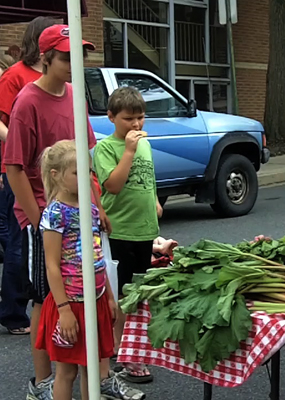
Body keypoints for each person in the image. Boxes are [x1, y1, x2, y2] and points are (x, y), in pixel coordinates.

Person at [3, 24, 129, 400]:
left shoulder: (75, 95)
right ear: (45, 59)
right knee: (48, 298)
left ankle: (100, 376)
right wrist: (39, 218)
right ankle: (43, 383)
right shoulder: (27, 101)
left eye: (80, 54)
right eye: (66, 56)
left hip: (82, 211)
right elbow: (14, 167)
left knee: (94, 284)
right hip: (46, 215)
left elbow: (86, 160)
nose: (76, 63)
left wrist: (98, 206)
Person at [36, 140, 145, 400]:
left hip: (95, 299)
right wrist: (63, 310)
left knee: (92, 369)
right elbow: (51, 265)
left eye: (88, 171)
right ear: (56, 176)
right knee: (67, 371)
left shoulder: (92, 210)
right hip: (70, 304)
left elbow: (98, 257)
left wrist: (108, 294)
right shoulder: (55, 214)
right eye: (77, 173)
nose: (85, 178)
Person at [93, 86, 162, 384]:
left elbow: (148, 176)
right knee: (121, 296)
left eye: (141, 118)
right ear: (111, 117)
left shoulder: (145, 145)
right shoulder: (106, 148)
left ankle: (133, 348)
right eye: (128, 119)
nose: (136, 125)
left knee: (139, 294)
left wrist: (155, 200)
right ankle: (121, 350)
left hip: (144, 228)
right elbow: (113, 185)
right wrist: (130, 150)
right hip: (120, 230)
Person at [0, 16, 55, 337]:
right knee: (19, 243)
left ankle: (45, 299)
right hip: (19, 170)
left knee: (45, 241)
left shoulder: (59, 81)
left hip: (51, 176)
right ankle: (13, 312)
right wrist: (23, 146)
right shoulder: (15, 76)